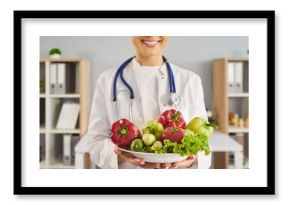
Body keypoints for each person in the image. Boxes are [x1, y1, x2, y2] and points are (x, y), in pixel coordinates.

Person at [87, 36, 211, 169]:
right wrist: (121, 156)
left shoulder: (191, 81)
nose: (151, 34)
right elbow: (95, 143)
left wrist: (192, 159)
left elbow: (203, 142)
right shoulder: (107, 81)